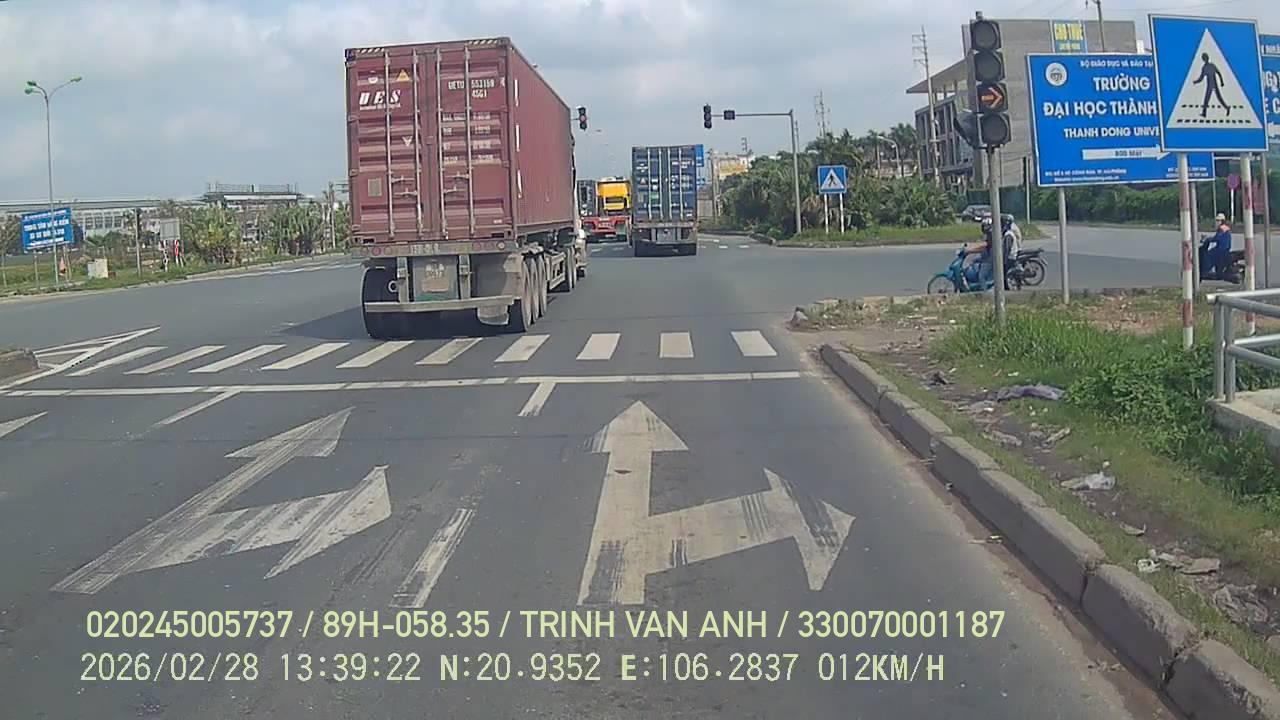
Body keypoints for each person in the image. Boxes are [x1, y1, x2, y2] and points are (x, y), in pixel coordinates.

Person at [1207, 213, 1234, 280]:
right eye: (1217, 220)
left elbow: (1217, 238)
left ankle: (1210, 269)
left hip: (1222, 249)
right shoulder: (1225, 228)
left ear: (1222, 221)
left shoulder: (1222, 228)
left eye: (1218, 220)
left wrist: (1208, 239)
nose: (1217, 222)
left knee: (1209, 254)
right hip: (1225, 248)